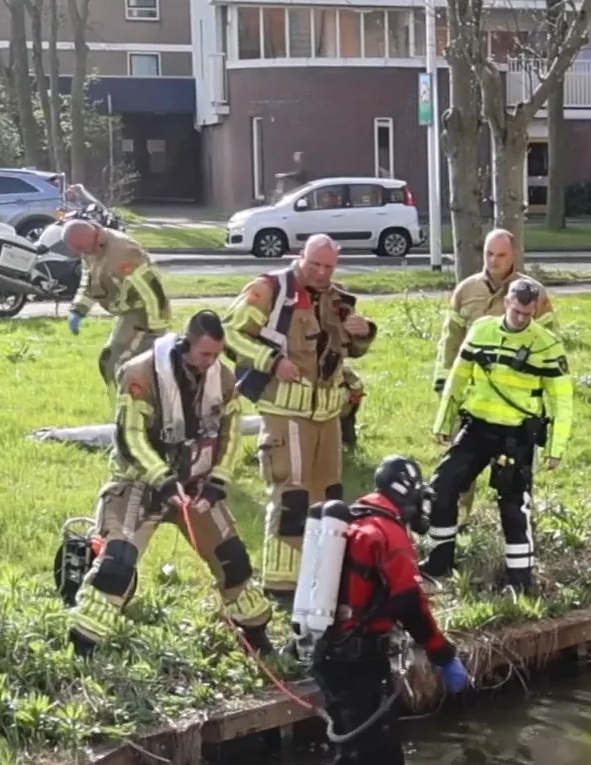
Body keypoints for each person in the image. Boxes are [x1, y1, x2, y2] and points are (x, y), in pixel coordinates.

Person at [65, 310, 274, 657]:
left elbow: (231, 433)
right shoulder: (139, 374)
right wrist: (162, 479)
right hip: (139, 483)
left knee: (233, 559)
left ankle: (255, 633)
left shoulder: (222, 378)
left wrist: (217, 482)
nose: (210, 362)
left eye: (216, 355)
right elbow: (131, 436)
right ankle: (83, 646)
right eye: (204, 354)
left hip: (194, 487)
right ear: (185, 343)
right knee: (117, 565)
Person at [307, 454, 472, 765]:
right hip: (360, 661)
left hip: (327, 655)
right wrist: (443, 654)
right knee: (380, 761)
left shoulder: (351, 521)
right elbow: (410, 603)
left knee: (350, 749)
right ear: (408, 494)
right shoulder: (388, 534)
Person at [223, 234, 377, 609]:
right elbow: (229, 333)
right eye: (314, 265)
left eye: (328, 266)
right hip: (285, 411)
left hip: (328, 414)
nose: (321, 273)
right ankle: (282, 585)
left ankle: (325, 573)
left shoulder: (338, 300)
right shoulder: (270, 290)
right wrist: (272, 362)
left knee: (329, 498)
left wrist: (364, 334)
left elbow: (348, 349)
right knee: (292, 496)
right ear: (300, 256)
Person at [424, 277, 573, 593]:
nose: (521, 319)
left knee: (513, 505)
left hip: (516, 435)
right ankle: (439, 561)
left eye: (527, 314)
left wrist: (556, 448)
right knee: (442, 486)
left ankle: (520, 581)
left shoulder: (546, 344)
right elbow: (458, 377)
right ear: (506, 303)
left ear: (535, 311)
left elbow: (562, 399)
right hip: (477, 427)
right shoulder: (481, 330)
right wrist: (444, 422)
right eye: (516, 311)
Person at [433, 228, 557, 396]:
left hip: (518, 389)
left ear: (514, 255)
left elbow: (549, 343)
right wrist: (443, 382)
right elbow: (450, 338)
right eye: (489, 253)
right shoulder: (465, 290)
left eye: (501, 255)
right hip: (472, 388)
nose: (493, 260)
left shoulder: (535, 293)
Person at [65, 219, 172, 387]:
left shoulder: (123, 251)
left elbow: (152, 289)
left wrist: (155, 331)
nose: (78, 253)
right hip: (128, 312)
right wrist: (78, 309)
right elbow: (91, 282)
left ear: (91, 238)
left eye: (79, 248)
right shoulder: (91, 250)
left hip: (143, 311)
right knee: (112, 362)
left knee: (117, 363)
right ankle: (122, 399)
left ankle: (132, 400)